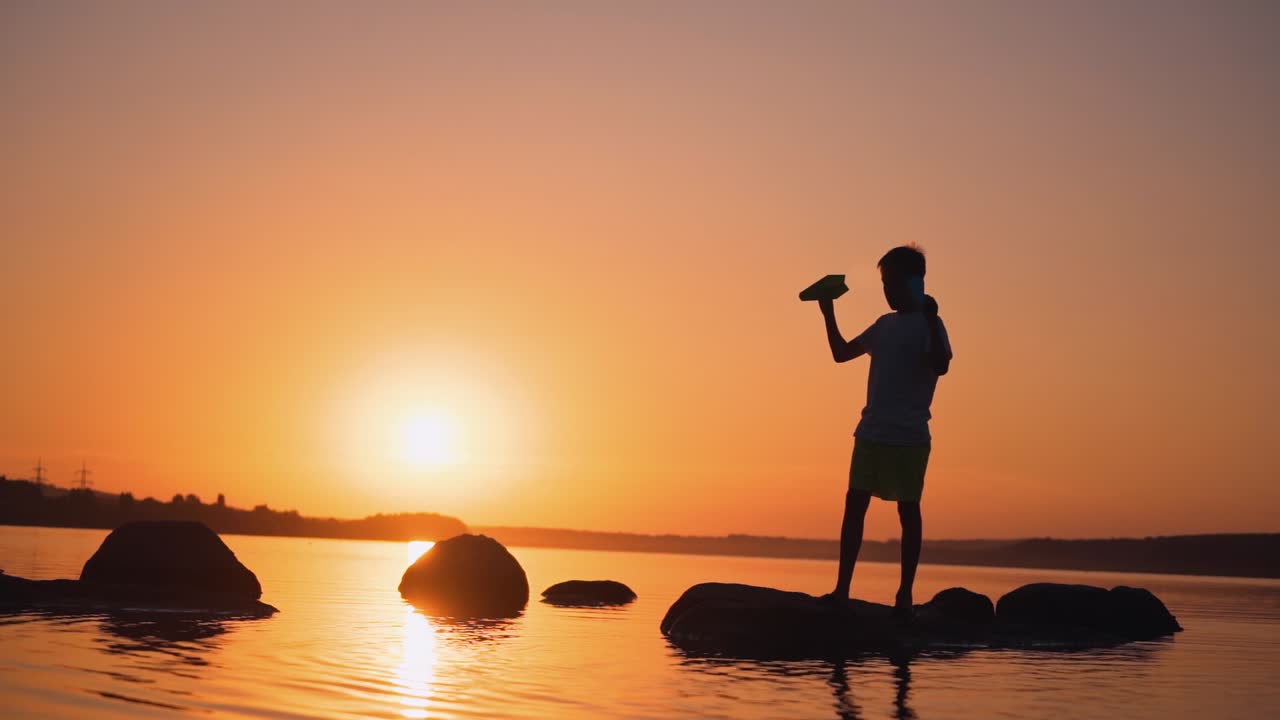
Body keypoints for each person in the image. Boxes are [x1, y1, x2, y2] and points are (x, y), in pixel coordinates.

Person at [816, 245, 952, 621]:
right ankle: (842, 589)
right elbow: (841, 354)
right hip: (872, 432)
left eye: (892, 283)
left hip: (910, 437)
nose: (887, 291)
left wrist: (930, 319)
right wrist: (828, 312)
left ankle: (905, 595)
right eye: (884, 284)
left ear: (915, 283)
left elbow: (941, 365)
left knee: (908, 511)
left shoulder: (931, 326)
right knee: (854, 505)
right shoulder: (883, 325)